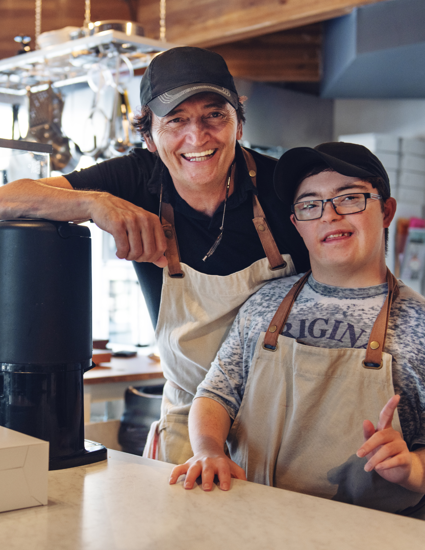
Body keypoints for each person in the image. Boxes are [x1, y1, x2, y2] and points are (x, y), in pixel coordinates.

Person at [0, 47, 310, 465]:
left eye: (214, 115)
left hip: (283, 419)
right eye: (176, 120)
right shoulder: (135, 178)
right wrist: (95, 203)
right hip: (188, 422)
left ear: (238, 124)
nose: (197, 136)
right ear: (150, 136)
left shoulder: (287, 186)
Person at [169, 141, 425, 517]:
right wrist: (208, 450)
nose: (330, 215)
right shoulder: (263, 305)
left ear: (386, 211)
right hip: (252, 523)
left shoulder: (418, 322)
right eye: (310, 205)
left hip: (368, 535)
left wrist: (413, 469)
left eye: (350, 198)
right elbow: (215, 395)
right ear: (297, 224)